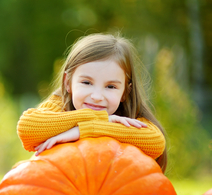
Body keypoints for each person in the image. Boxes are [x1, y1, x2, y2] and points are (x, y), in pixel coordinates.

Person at [17, 33, 167, 171]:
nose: (96, 96)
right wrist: (101, 118)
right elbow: (27, 128)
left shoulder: (129, 117)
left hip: (114, 194)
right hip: (61, 191)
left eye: (110, 86)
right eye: (87, 83)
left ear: (125, 92)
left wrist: (82, 130)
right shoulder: (59, 104)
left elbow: (155, 142)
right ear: (67, 82)